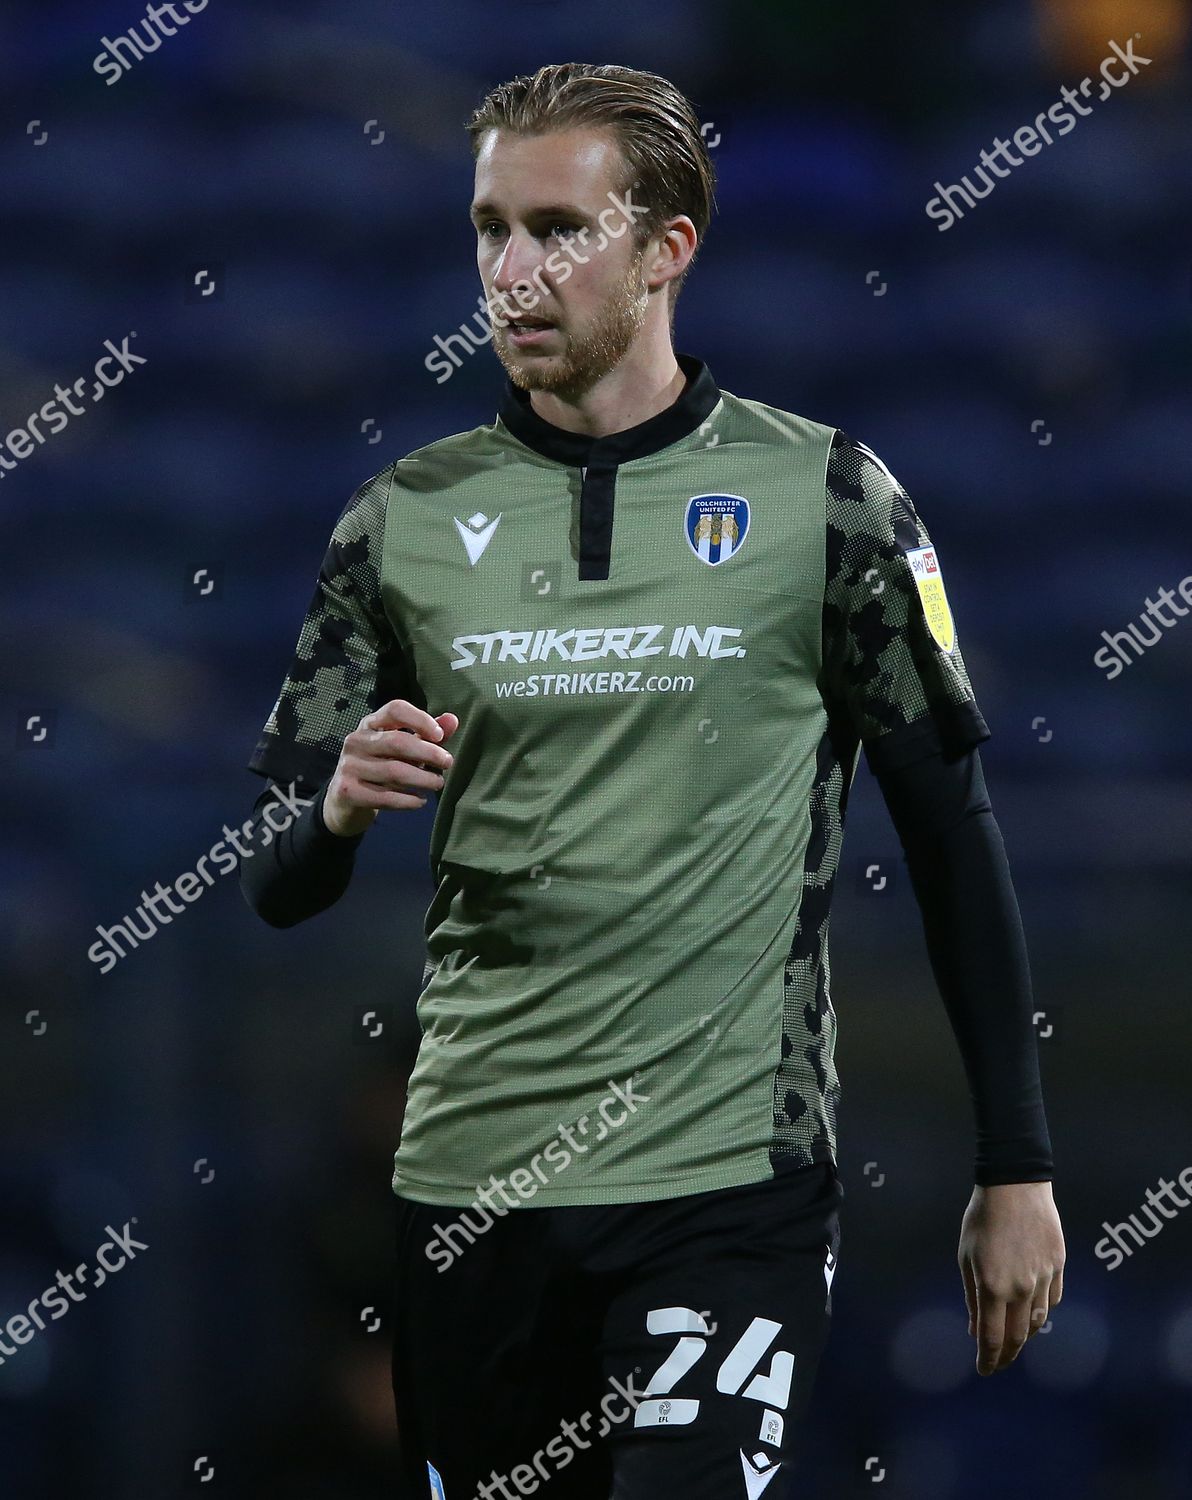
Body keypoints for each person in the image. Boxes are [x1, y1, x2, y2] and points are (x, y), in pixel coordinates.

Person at [239, 61, 1065, 1500]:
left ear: (666, 248)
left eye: (557, 228)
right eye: (490, 228)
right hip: (471, 1190)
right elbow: (272, 882)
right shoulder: (402, 521)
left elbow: (951, 829)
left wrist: (1017, 1165)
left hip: (723, 1187)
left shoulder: (828, 499)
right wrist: (333, 811)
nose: (512, 270)